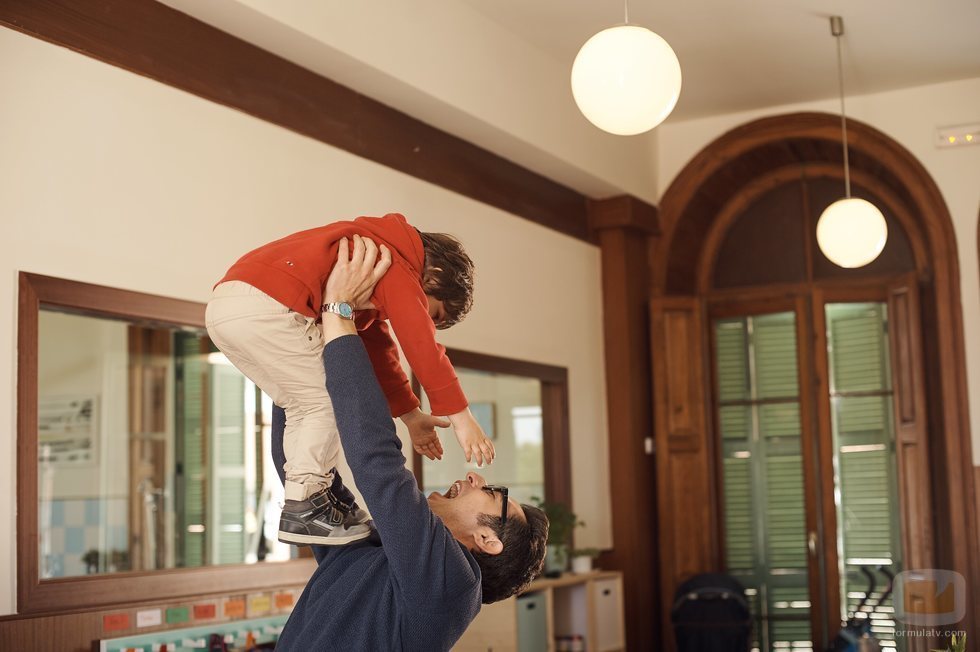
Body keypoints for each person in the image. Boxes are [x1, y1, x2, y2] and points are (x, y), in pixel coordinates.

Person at [272, 239, 549, 650]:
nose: (476, 476)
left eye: (493, 493)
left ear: (489, 542)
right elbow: (299, 465)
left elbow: (379, 466)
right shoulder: (369, 552)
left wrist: (339, 311)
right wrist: (300, 347)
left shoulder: (453, 587)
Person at [205, 213, 496, 545]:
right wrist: (462, 416)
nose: (422, 316)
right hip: (269, 306)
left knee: (304, 406)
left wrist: (411, 414)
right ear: (435, 277)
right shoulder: (393, 262)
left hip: (226, 308)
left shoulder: (372, 264)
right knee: (329, 401)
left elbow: (379, 347)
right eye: (433, 313)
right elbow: (421, 343)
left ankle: (306, 498)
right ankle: (305, 506)